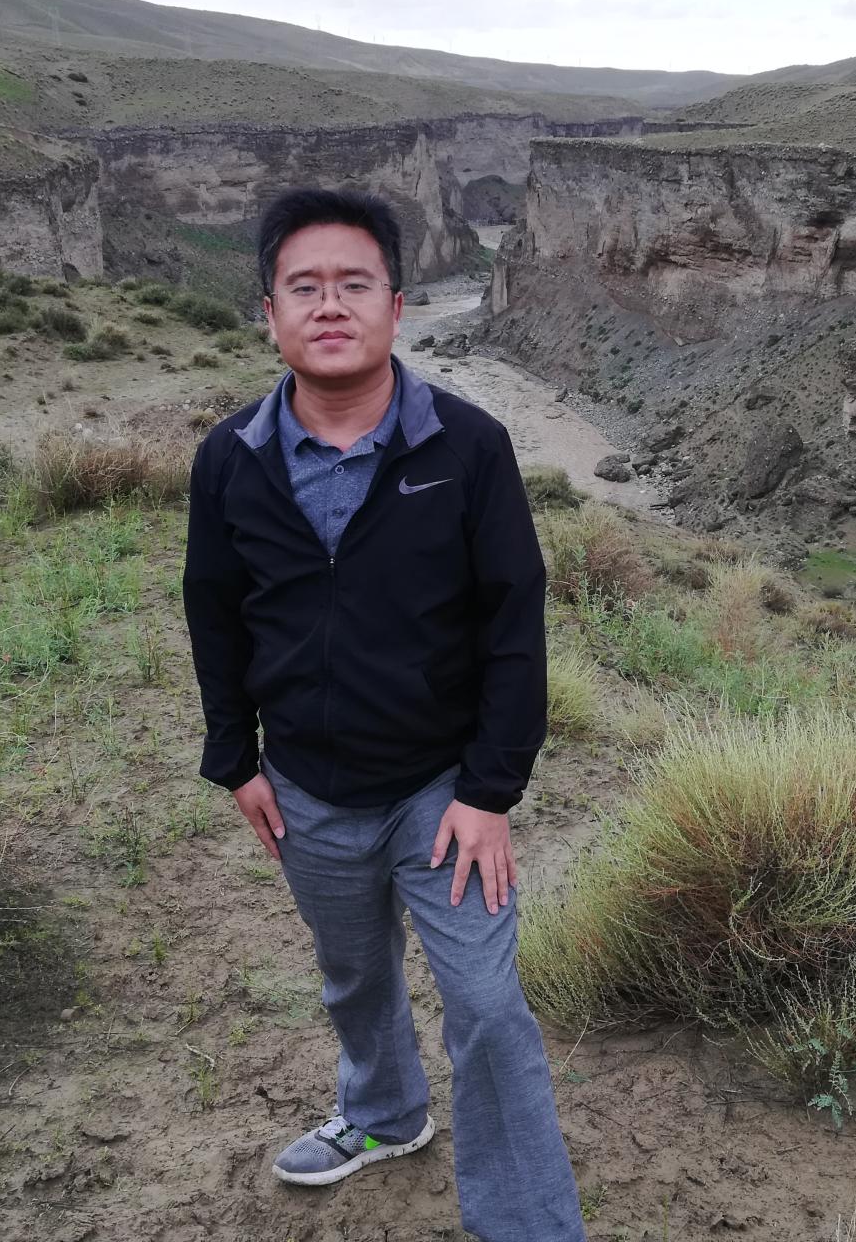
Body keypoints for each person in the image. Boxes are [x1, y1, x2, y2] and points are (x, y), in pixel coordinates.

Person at [181, 187, 586, 1241]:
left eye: (353, 284)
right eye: (304, 287)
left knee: (487, 1006)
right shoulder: (231, 457)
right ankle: (384, 1114)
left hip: (442, 791)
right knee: (354, 975)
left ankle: (529, 1228)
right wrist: (236, 759)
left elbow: (513, 621)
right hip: (306, 787)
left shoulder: (468, 445)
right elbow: (213, 612)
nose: (330, 305)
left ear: (397, 307)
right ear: (269, 313)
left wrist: (489, 793)